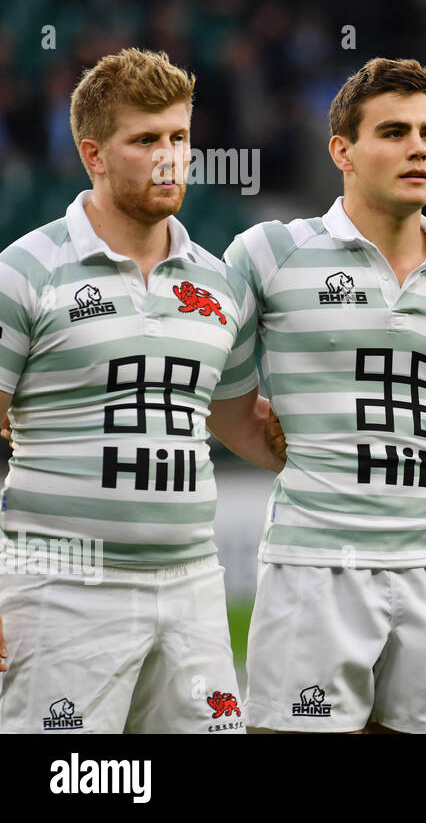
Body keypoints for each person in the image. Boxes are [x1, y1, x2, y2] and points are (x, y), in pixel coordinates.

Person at [225, 57, 426, 734]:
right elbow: (188, 364)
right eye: (394, 132)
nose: (418, 149)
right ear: (342, 150)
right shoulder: (270, 251)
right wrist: (248, 429)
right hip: (315, 566)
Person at [0, 48, 281, 733]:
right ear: (94, 154)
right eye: (145, 140)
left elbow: (240, 422)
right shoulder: (24, 271)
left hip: (192, 590)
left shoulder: (219, 283)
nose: (169, 158)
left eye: (179, 139)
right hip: (60, 591)